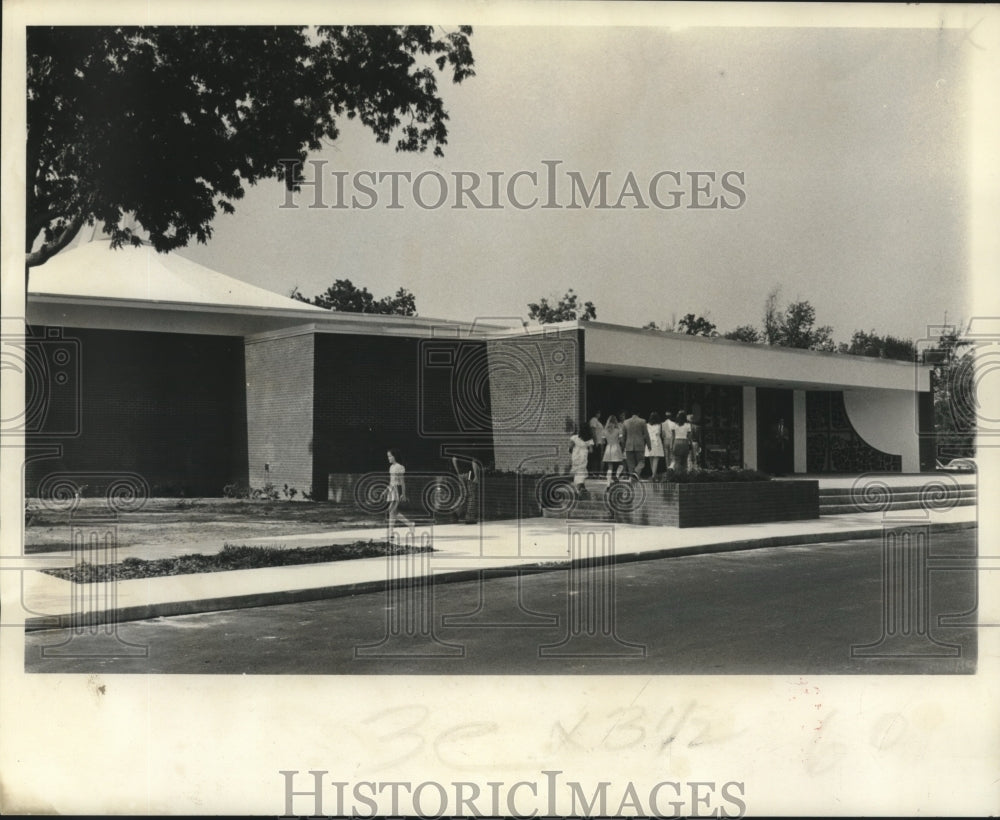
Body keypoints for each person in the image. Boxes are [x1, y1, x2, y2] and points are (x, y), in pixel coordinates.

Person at [384, 449, 415, 540]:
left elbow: (402, 482)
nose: (388, 458)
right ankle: (409, 524)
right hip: (391, 489)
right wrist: (386, 491)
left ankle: (391, 533)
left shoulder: (399, 467)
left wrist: (403, 494)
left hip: (397, 489)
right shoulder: (391, 467)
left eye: (390, 456)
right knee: (392, 512)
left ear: (394, 456)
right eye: (388, 456)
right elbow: (391, 482)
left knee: (391, 511)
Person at [621, 409, 651, 479]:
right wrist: (649, 445)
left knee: (630, 464)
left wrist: (622, 447)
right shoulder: (642, 421)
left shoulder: (625, 422)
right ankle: (636, 472)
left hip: (628, 446)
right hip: (639, 445)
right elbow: (646, 434)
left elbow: (623, 436)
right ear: (638, 413)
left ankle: (632, 480)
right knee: (641, 462)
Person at [452, 455, 481, 524]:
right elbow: (474, 462)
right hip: (470, 473)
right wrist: (476, 476)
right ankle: (470, 518)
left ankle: (456, 511)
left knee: (463, 495)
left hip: (461, 473)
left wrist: (458, 472)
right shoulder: (472, 447)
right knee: (472, 495)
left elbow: (454, 459)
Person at [568, 425, 594, 496]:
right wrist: (585, 448)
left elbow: (570, 447)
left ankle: (580, 488)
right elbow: (591, 451)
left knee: (577, 472)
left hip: (575, 456)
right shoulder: (589, 439)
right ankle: (579, 488)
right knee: (581, 472)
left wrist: (573, 451)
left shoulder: (574, 438)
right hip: (583, 457)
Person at [601, 414, 625, 484]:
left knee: (610, 467)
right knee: (621, 464)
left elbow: (602, 442)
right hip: (616, 447)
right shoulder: (618, 430)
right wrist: (623, 447)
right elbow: (621, 440)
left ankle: (608, 483)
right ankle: (616, 476)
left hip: (608, 448)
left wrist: (602, 451)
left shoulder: (604, 431)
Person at [644, 411, 666, 481]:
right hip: (657, 442)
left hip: (649, 442)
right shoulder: (659, 425)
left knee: (651, 459)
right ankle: (653, 475)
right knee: (656, 459)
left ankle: (653, 475)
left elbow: (645, 435)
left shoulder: (647, 425)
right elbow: (662, 435)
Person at [587, 410, 605, 477]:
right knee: (595, 458)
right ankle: (593, 472)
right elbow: (593, 431)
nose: (599, 414)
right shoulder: (593, 420)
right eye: (598, 413)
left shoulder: (597, 421)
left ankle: (597, 472)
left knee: (598, 458)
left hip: (600, 441)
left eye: (599, 413)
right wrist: (595, 441)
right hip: (596, 442)